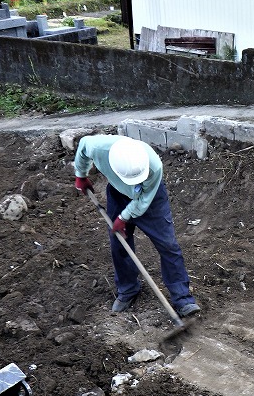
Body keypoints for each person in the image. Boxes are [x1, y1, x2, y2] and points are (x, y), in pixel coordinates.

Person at [74, 134, 200, 317]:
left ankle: (182, 299)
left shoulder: (153, 166)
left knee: (168, 244)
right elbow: (83, 146)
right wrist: (81, 174)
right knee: (119, 243)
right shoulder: (99, 147)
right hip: (118, 193)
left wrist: (123, 217)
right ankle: (128, 289)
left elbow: (142, 201)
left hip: (151, 198)